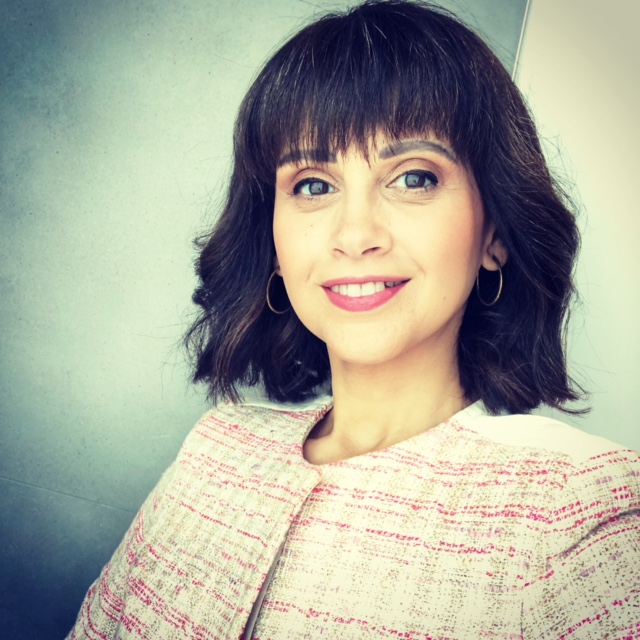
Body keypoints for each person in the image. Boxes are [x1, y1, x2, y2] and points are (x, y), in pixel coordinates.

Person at [67, 1, 640, 638]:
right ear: (273, 243)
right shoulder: (215, 448)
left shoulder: (578, 515)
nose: (355, 234)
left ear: (495, 233)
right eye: (313, 185)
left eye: (414, 178)